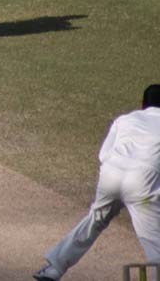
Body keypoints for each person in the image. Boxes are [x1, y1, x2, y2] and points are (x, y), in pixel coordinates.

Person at [33, 84, 160, 280]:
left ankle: (53, 269)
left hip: (111, 174)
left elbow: (103, 155)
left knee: (95, 219)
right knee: (153, 239)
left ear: (142, 104)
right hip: (142, 183)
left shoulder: (125, 119)